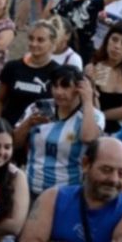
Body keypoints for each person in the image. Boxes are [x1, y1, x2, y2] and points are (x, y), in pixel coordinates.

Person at [18, 66, 102, 197]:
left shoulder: (94, 116)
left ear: (79, 88)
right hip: (30, 188)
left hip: (67, 194)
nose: (58, 92)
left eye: (65, 87)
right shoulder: (37, 107)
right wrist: (27, 124)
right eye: (55, 86)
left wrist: (87, 100)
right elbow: (14, 143)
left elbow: (88, 137)